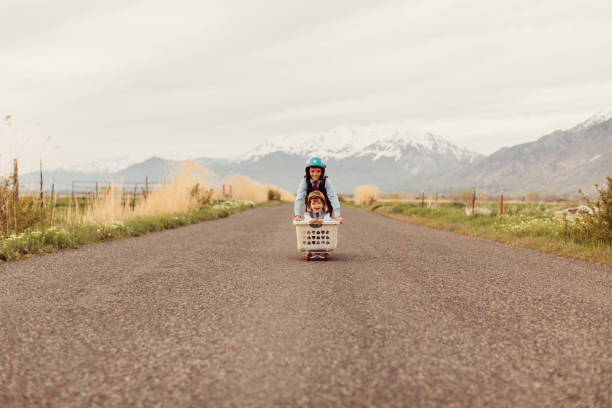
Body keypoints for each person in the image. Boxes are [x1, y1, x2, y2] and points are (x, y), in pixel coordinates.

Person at [294, 157, 343, 223]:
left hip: (325, 207)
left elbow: (333, 196)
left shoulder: (326, 181)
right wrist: (297, 215)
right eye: (312, 171)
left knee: (325, 225)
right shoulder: (305, 181)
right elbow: (299, 198)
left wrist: (338, 215)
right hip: (311, 207)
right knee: (310, 224)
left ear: (322, 172)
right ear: (308, 172)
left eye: (318, 171)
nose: (315, 174)